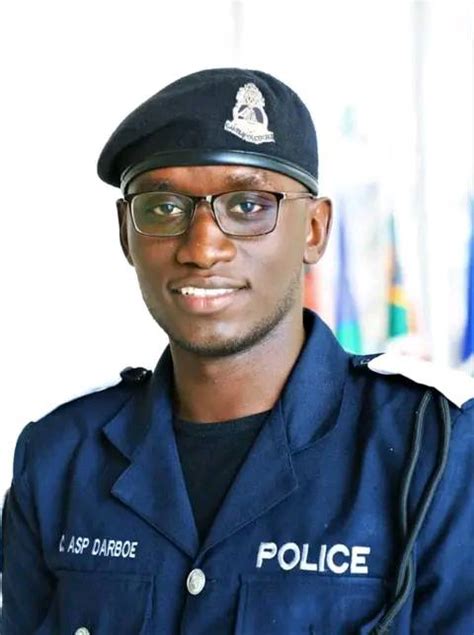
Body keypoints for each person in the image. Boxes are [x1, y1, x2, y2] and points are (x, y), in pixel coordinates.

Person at [1, 68, 473, 635]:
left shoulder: (438, 451)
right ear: (126, 233)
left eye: (248, 205)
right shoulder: (58, 459)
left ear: (315, 230)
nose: (202, 249)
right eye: (163, 208)